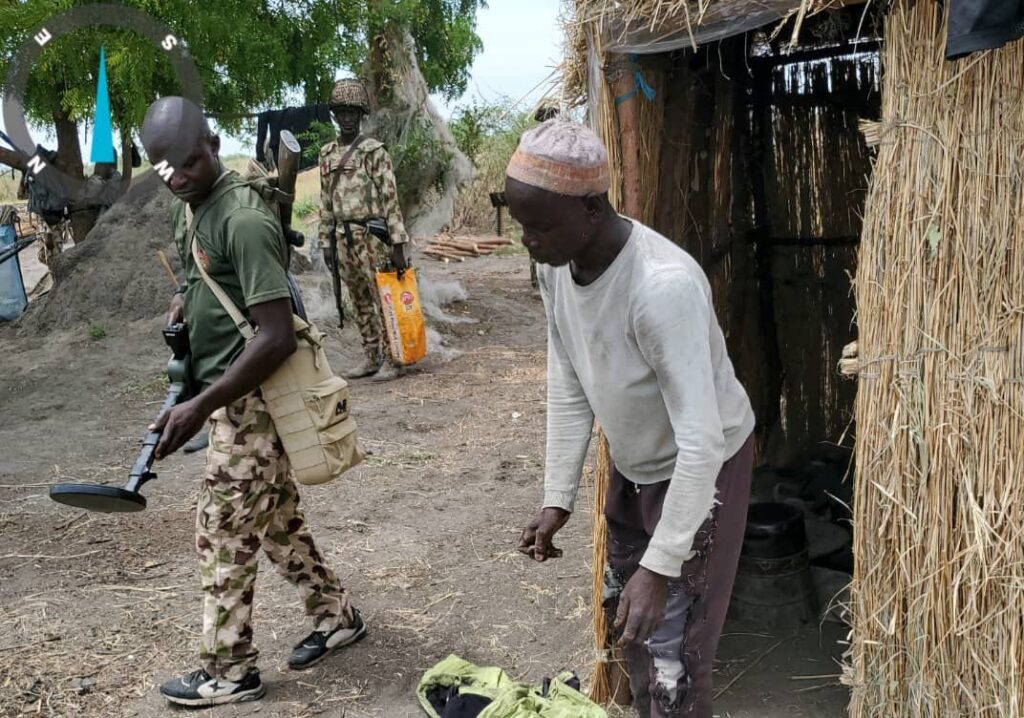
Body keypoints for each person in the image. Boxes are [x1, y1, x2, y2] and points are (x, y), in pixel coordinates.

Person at [510, 120, 756, 718]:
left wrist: (660, 564)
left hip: (703, 470)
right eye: (520, 224)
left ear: (592, 209)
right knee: (638, 640)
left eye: (539, 226)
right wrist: (556, 496)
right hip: (638, 465)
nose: (527, 241)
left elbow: (701, 444)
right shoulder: (554, 266)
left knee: (677, 661)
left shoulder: (660, 288)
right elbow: (571, 381)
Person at [141, 96, 365, 708]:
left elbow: (276, 335)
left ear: (212, 144)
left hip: (258, 400)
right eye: (165, 169)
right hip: (226, 395)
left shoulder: (242, 219)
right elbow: (205, 279)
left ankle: (229, 669)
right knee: (274, 521)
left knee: (221, 529)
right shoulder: (191, 209)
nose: (178, 177)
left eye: (188, 162)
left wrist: (197, 406)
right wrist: (186, 310)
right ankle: (336, 613)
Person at [317, 78, 411, 382]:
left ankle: (394, 358)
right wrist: (326, 241)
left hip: (371, 236)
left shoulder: (374, 152)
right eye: (341, 112)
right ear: (334, 114)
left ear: (361, 115)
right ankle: (371, 355)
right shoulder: (327, 154)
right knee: (358, 299)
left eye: (352, 112)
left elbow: (390, 199)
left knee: (382, 295)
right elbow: (325, 201)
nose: (346, 118)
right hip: (342, 236)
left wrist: (397, 244)